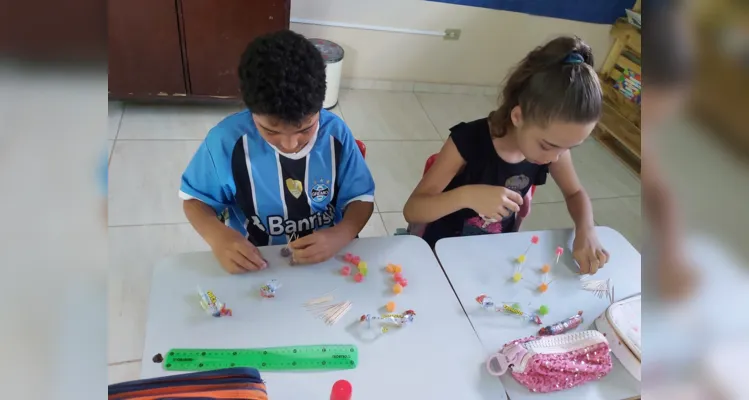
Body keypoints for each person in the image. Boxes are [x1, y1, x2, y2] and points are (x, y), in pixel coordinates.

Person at [403, 36, 608, 274]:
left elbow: (575, 193)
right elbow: (413, 210)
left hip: (493, 252)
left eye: (569, 148)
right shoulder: (467, 141)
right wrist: (466, 195)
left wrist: (586, 230)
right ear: (518, 116)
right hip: (439, 252)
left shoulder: (554, 149)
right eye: (547, 145)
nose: (555, 157)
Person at [180, 30, 375, 274]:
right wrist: (218, 237)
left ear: (320, 107)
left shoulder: (335, 133)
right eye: (271, 131)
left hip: (327, 261)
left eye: (305, 128)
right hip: (258, 261)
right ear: (250, 110)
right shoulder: (225, 142)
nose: (290, 144)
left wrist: (341, 234)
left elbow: (361, 198)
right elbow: (195, 200)